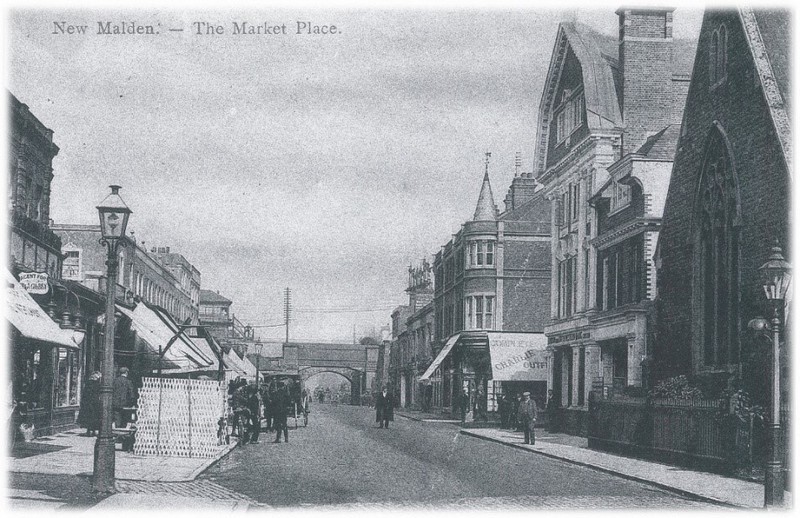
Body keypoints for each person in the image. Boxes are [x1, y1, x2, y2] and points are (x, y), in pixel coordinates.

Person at [78, 371, 102, 436]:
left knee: (89, 417)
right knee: (95, 417)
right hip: (95, 403)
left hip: (87, 403)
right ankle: (95, 430)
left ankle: (89, 430)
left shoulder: (87, 384)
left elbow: (84, 394)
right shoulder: (98, 384)